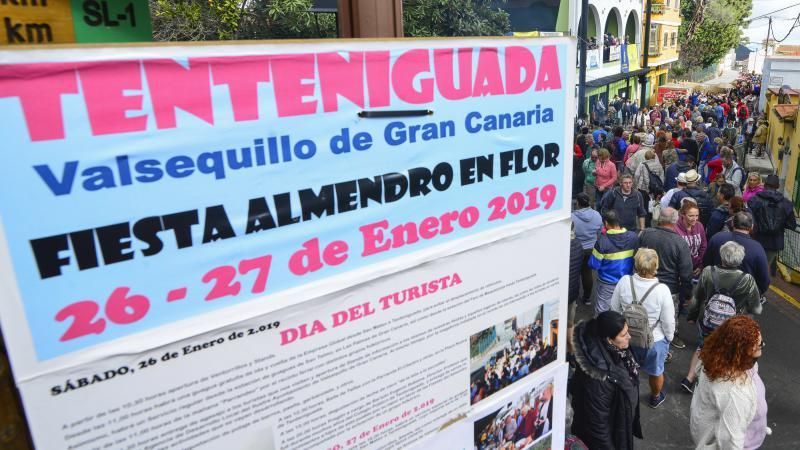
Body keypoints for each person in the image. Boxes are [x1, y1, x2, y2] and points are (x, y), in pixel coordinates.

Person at [683, 241, 762, 396]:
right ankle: (716, 381)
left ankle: (689, 378)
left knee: (703, 347)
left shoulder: (708, 272)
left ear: (722, 256)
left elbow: (697, 298)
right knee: (728, 350)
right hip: (733, 325)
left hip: (708, 320)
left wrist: (692, 316)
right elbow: (756, 308)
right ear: (740, 259)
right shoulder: (747, 280)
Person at [689, 316, 770, 449]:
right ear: (742, 353)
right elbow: (731, 443)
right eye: (759, 345)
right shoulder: (735, 394)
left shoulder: (714, 358)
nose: (762, 348)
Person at [610, 249, 675, 409]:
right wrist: (669, 338)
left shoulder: (624, 281)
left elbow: (613, 309)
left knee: (626, 369)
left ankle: (627, 396)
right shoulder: (662, 290)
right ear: (656, 266)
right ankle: (655, 397)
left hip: (626, 338)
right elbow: (668, 321)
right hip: (654, 341)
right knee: (656, 371)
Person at [571, 311, 642, 450]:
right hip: (609, 436)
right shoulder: (599, 377)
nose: (629, 336)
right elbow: (598, 426)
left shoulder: (617, 349)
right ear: (609, 339)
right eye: (623, 335)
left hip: (619, 423)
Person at [638, 207, 693, 349]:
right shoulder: (680, 243)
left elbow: (636, 255)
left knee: (647, 313)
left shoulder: (646, 234)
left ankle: (643, 336)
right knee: (669, 318)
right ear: (676, 220)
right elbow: (686, 273)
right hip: (670, 288)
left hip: (646, 282)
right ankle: (668, 341)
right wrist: (687, 294)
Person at [704, 212, 771, 296]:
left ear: (732, 223)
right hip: (741, 296)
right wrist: (757, 293)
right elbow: (764, 279)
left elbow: (706, 263)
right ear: (752, 226)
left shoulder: (717, 237)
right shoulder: (757, 247)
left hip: (715, 291)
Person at [589, 210, 639, 314]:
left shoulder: (602, 241)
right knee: (622, 311)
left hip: (606, 283)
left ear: (606, 223)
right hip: (626, 282)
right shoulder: (633, 237)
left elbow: (594, 264)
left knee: (602, 312)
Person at [748, 174, 798, 275]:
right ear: (778, 186)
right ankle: (760, 288)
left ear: (764, 185)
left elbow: (749, 219)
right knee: (765, 267)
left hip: (756, 237)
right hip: (775, 241)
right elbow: (792, 225)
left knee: (752, 265)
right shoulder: (786, 203)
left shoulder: (754, 200)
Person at [572, 193, 603, 306]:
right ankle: (587, 298)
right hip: (591, 248)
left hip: (576, 249)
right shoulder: (597, 215)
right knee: (587, 273)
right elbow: (600, 231)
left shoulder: (572, 217)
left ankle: (573, 299)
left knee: (574, 273)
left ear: (578, 204)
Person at [675, 201, 707, 276]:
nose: (695, 219)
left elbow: (703, 246)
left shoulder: (699, 226)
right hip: (680, 269)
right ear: (682, 215)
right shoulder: (675, 228)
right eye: (691, 216)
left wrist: (701, 265)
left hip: (697, 267)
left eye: (697, 215)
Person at [568, 227, 585, 358]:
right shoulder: (578, 245)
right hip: (573, 289)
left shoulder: (559, 246)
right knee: (570, 323)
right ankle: (572, 353)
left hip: (561, 291)